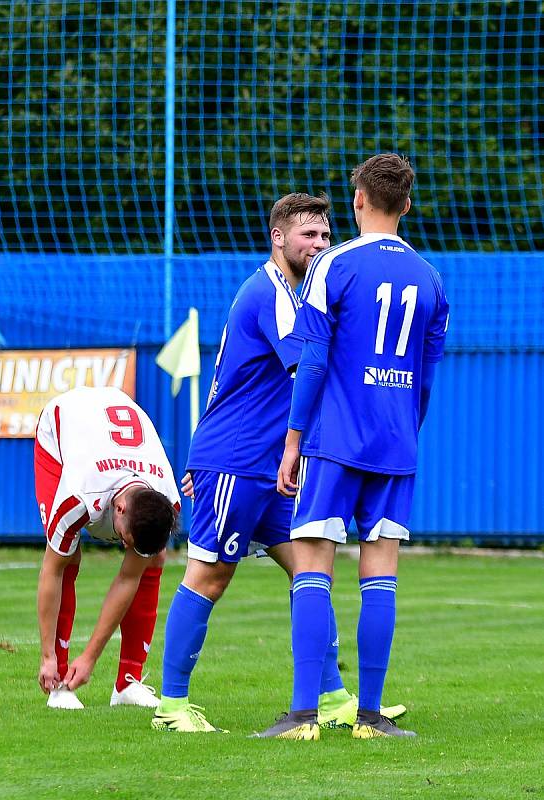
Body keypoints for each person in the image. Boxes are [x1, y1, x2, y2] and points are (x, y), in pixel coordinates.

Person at [151, 192, 405, 733]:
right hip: (238, 459)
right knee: (211, 574)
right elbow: (310, 366)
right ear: (278, 238)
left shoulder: (297, 289)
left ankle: (333, 696)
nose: (318, 244)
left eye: (324, 235)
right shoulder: (272, 292)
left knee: (308, 570)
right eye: (307, 235)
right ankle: (170, 706)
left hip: (272, 465)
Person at [256, 154, 449, 740]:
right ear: (407, 205)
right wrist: (404, 433)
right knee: (380, 574)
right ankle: (369, 715)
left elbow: (312, 363)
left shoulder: (332, 265)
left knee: (313, 564)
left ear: (359, 200)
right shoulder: (431, 279)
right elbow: (426, 378)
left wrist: (293, 442)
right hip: (395, 444)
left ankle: (302, 716)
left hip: (336, 441)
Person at [35, 385, 180, 709]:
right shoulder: (79, 498)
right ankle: (57, 680)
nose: (122, 546)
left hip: (112, 423)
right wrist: (46, 655)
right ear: (120, 509)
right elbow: (50, 571)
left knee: (154, 559)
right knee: (67, 555)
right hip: (60, 428)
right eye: (125, 540)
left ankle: (128, 683)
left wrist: (89, 658)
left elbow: (128, 578)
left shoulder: (167, 498)